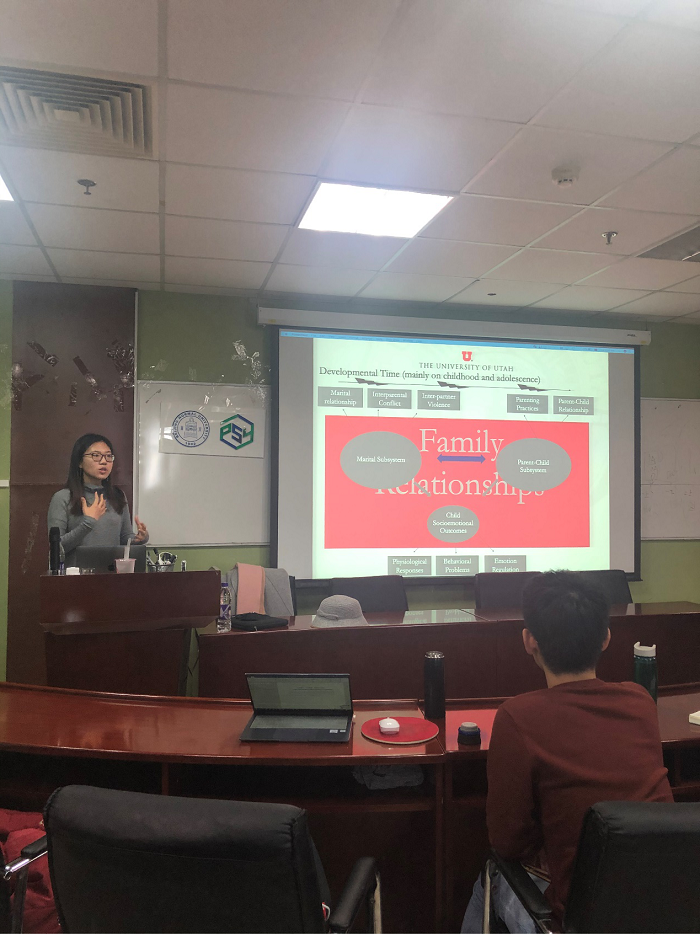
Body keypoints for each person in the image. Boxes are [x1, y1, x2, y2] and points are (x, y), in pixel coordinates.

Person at [462, 570, 673, 933]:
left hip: (573, 919)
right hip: (660, 910)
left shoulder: (517, 716)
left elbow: (507, 843)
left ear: (529, 640)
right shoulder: (640, 701)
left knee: (491, 876)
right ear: (606, 638)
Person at [47, 433, 148, 568]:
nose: (103, 461)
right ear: (79, 462)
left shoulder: (118, 496)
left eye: (108, 456)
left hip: (112, 574)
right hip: (76, 576)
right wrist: (88, 523)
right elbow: (56, 548)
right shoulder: (63, 497)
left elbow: (125, 539)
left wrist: (139, 539)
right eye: (96, 455)